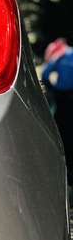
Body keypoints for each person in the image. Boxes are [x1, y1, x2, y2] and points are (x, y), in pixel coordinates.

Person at [44, 37, 73, 185]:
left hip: (62, 101)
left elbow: (45, 75)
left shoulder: (59, 57)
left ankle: (66, 175)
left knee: (62, 136)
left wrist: (53, 89)